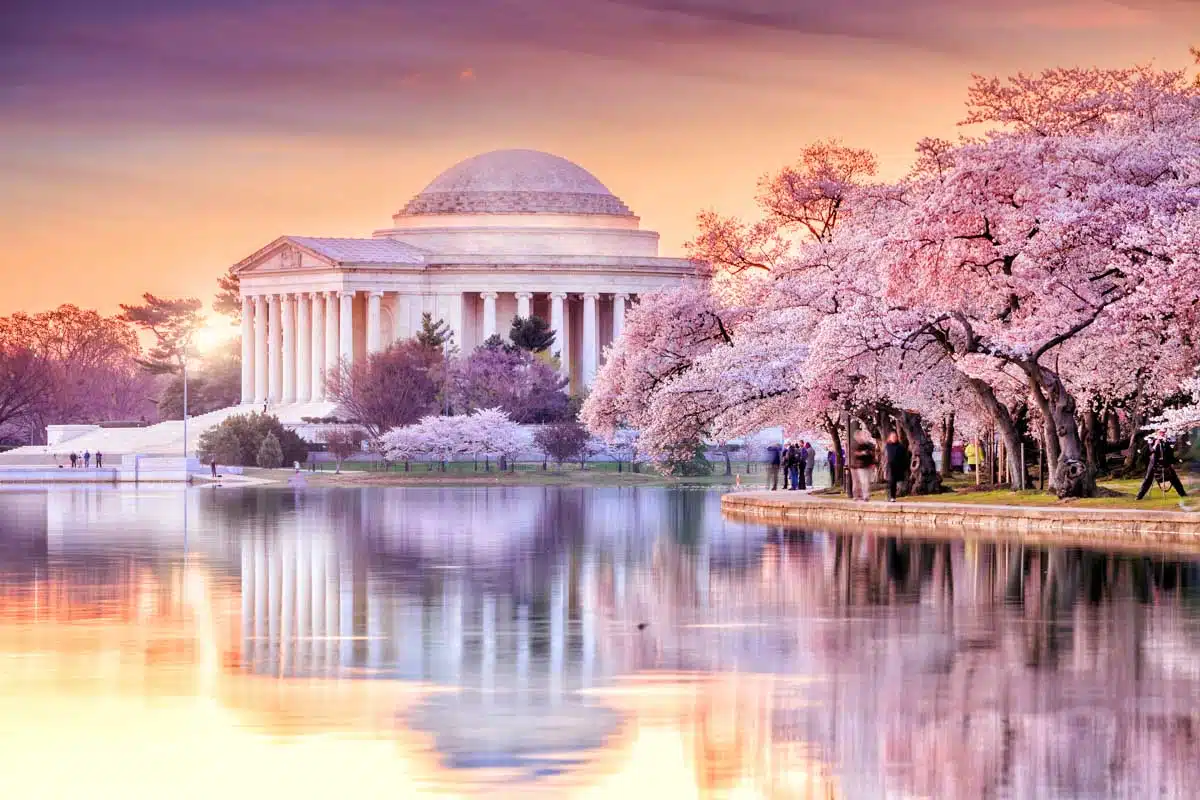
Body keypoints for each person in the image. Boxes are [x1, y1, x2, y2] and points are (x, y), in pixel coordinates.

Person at [1137, 432, 1188, 500]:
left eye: (1164, 433)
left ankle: (1183, 494)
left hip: (1165, 463)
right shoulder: (1152, 440)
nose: (1162, 434)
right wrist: (1155, 444)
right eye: (1160, 433)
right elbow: (1150, 451)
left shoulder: (1167, 441)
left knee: (1174, 478)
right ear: (1157, 433)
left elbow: (1170, 454)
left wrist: (1172, 463)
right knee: (1148, 478)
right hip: (1154, 463)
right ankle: (1139, 496)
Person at [850, 431, 877, 502]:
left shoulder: (868, 445)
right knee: (861, 481)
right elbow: (855, 454)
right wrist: (862, 453)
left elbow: (872, 455)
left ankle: (864, 495)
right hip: (859, 466)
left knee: (867, 481)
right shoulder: (855, 445)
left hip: (867, 465)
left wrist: (873, 463)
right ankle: (862, 496)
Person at [884, 432, 910, 502]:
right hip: (890, 466)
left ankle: (892, 496)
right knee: (890, 481)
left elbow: (905, 457)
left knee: (894, 482)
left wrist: (905, 466)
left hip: (898, 466)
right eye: (892, 437)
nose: (894, 438)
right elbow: (885, 456)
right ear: (890, 438)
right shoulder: (887, 446)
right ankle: (890, 496)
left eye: (895, 437)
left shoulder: (900, 446)